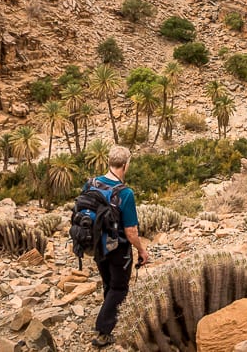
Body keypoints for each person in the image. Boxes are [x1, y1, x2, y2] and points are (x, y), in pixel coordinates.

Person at [91, 145, 150, 348]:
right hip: (118, 249)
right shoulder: (125, 193)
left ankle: (110, 316)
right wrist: (141, 250)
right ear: (125, 165)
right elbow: (131, 231)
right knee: (119, 288)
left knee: (109, 283)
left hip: (97, 245)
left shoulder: (92, 184)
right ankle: (103, 331)